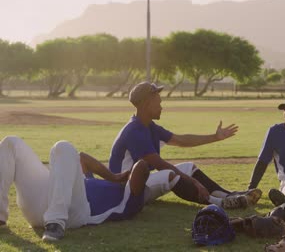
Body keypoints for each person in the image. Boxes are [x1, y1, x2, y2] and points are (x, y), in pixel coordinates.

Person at [108, 81, 261, 209]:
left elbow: (181, 140)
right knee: (169, 174)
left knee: (188, 167)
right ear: (147, 104)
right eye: (158, 102)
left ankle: (231, 195)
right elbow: (159, 164)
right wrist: (193, 182)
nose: (161, 106)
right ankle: (220, 203)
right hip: (126, 191)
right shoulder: (135, 130)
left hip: (139, 184)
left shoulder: (148, 125)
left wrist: (215, 137)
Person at [0, 136, 153, 241]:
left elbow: (142, 167)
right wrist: (113, 177)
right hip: (44, 203)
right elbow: (82, 158)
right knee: (11, 143)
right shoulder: (93, 183)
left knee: (63, 146)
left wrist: (129, 174)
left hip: (74, 215)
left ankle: (55, 224)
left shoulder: (131, 199)